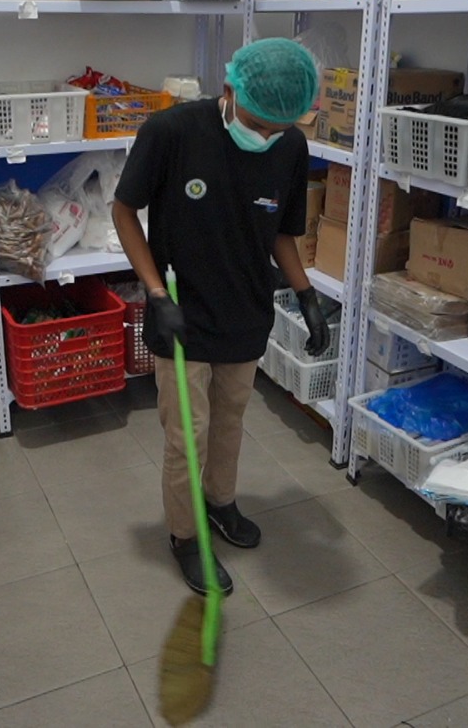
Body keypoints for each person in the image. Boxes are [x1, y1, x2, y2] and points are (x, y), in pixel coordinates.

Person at [112, 37, 332, 594]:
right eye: (257, 124)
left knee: (230, 420)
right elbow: (123, 210)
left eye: (277, 130)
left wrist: (306, 295)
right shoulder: (172, 131)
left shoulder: (290, 146)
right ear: (230, 89)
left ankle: (220, 502)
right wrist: (155, 295)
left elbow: (281, 233)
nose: (265, 137)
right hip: (180, 311)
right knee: (187, 436)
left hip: (245, 310)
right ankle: (186, 537)